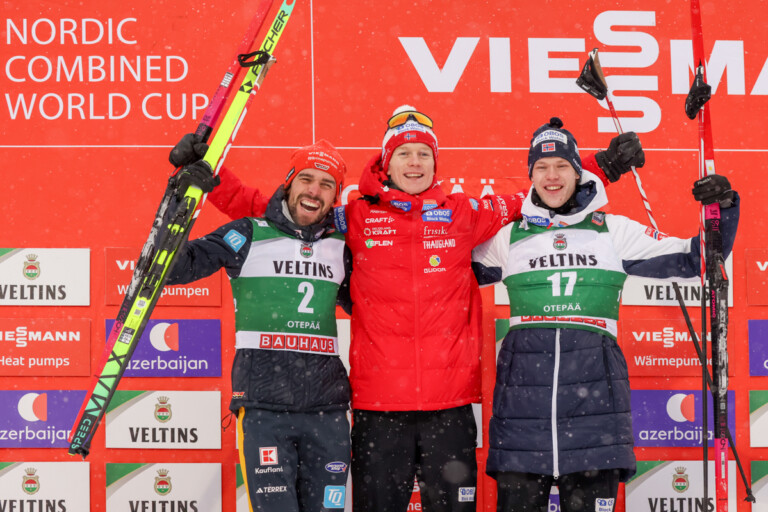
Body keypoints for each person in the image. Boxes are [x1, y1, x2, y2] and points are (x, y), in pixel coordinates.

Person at [176, 105, 644, 511]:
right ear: (387, 160)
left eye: (423, 153)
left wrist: (601, 165)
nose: (414, 162)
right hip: (380, 408)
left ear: (435, 163)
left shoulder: (465, 213)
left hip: (450, 407)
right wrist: (213, 181)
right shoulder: (354, 215)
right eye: (403, 152)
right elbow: (282, 210)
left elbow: (543, 193)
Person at [471, 117, 739, 512]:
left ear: (578, 172)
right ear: (530, 175)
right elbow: (440, 273)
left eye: (562, 165)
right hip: (523, 422)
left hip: (596, 419)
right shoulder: (508, 237)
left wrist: (722, 208)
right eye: (541, 167)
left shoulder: (612, 231)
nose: (552, 176)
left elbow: (696, 258)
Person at [164, 140, 352, 512]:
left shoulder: (344, 245)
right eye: (307, 179)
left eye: (326, 184)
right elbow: (174, 267)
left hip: (328, 411)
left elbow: (380, 303)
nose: (314, 191)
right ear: (289, 183)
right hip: (265, 409)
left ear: (335, 198)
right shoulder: (249, 233)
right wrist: (177, 196)